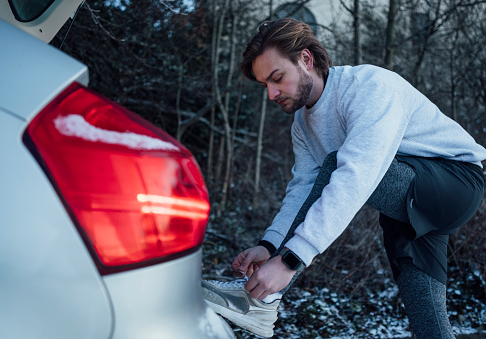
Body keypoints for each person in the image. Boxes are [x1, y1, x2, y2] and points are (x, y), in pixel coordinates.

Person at [202, 18, 486, 338]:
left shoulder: (369, 87)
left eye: (277, 78)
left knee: (338, 164)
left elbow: (355, 176)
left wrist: (289, 261)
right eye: (264, 84)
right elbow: (304, 188)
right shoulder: (302, 124)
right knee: (426, 313)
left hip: (454, 181)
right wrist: (270, 246)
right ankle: (264, 299)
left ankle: (264, 301)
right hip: (408, 200)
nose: (271, 93)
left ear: (306, 60)